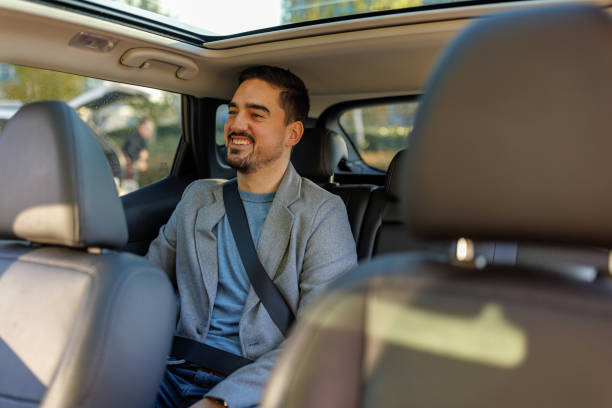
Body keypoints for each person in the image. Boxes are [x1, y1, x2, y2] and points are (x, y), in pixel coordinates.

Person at [146, 65, 357, 408]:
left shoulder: (322, 213)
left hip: (254, 386)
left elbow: (320, 338)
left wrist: (220, 401)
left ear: (292, 134)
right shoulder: (197, 197)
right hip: (168, 369)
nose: (236, 124)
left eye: (256, 114)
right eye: (233, 111)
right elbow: (147, 280)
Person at [122, 116, 154, 191]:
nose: (150, 132)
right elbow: (129, 153)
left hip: (130, 175)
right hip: (128, 177)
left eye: (151, 130)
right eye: (148, 129)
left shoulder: (140, 139)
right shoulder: (135, 138)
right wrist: (139, 160)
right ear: (141, 126)